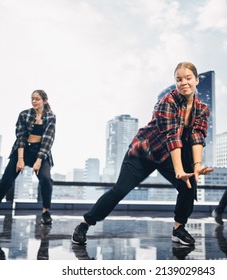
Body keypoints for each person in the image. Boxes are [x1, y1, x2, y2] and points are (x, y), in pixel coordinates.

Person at [71, 62, 214, 246]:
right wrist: (179, 170)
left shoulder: (201, 109)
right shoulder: (167, 102)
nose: (183, 82)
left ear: (196, 80)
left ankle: (178, 228)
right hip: (144, 152)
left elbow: (197, 136)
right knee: (120, 190)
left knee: (188, 186)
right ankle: (84, 225)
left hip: (168, 156)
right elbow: (173, 137)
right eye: (179, 79)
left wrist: (196, 166)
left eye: (188, 78)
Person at [0, 90, 56, 225]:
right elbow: (21, 137)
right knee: (5, 181)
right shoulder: (24, 114)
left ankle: (46, 212)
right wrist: (20, 159)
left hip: (41, 152)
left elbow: (48, 140)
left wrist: (38, 161)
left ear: (44, 101)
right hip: (23, 150)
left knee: (46, 179)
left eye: (37, 99)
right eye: (32, 99)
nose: (34, 101)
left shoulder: (50, 117)